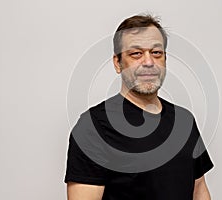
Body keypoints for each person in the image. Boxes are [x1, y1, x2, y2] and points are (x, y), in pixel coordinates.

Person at [65, 14, 214, 200]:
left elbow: (199, 190)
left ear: (165, 60)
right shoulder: (93, 127)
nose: (149, 62)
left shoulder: (184, 121)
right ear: (117, 63)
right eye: (136, 53)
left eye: (156, 53)